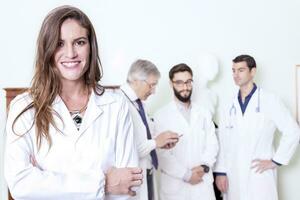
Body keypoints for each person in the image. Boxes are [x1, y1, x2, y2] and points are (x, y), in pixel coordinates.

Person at [4, 5, 142, 200]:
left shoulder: (115, 104)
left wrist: (46, 181)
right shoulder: (24, 107)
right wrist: (103, 183)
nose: (70, 53)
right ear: (47, 49)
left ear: (91, 47)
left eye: (79, 42)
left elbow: (127, 186)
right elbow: (21, 185)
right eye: (59, 43)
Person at [214, 55, 300, 200]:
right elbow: (222, 139)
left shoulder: (270, 100)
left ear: (253, 72)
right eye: (233, 70)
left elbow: (292, 131)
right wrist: (220, 172)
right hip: (233, 174)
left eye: (241, 70)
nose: (236, 75)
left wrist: (276, 160)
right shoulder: (228, 105)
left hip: (259, 176)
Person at [154, 63, 219, 200]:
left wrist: (204, 166)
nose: (185, 87)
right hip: (175, 187)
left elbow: (212, 144)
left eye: (188, 82)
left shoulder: (204, 113)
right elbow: (161, 153)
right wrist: (186, 175)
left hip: (202, 184)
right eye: (179, 82)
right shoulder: (160, 116)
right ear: (171, 84)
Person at [119, 59, 180, 200]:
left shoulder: (139, 104)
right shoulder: (120, 104)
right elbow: (126, 150)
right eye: (151, 85)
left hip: (146, 172)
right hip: (132, 179)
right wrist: (155, 142)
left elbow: (146, 138)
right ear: (136, 81)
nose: (153, 91)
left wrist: (161, 143)